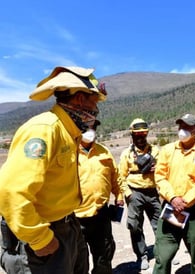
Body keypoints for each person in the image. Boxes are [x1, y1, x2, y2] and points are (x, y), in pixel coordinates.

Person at [0, 66, 106, 274]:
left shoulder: (68, 132)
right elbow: (11, 192)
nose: (96, 108)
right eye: (94, 100)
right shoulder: (44, 130)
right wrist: (40, 239)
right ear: (79, 99)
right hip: (46, 231)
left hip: (69, 225)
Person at [153, 113, 195, 274]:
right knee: (163, 254)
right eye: (181, 127)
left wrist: (185, 201)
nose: (183, 130)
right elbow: (159, 176)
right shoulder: (167, 150)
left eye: (187, 127)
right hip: (170, 209)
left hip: (194, 212)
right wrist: (173, 198)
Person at [74, 120, 124, 274]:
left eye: (93, 127)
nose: (90, 131)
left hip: (101, 214)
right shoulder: (69, 152)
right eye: (86, 127)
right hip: (76, 216)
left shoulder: (104, 152)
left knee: (104, 254)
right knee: (77, 260)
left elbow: (115, 177)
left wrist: (119, 194)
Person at [118, 118, 161, 271]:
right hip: (134, 192)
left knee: (160, 224)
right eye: (137, 135)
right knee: (135, 226)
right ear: (132, 135)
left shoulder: (155, 150)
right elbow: (120, 177)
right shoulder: (126, 154)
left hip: (153, 192)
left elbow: (163, 171)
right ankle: (142, 255)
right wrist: (128, 194)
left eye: (143, 134)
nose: (141, 138)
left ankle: (163, 253)